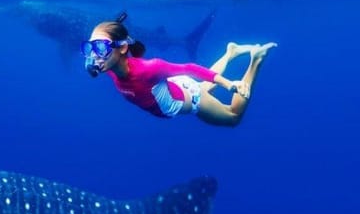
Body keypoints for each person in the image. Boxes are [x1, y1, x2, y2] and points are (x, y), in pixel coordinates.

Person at [82, 12, 276, 127]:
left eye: (100, 48)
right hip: (174, 88)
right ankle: (231, 52)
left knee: (233, 117)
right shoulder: (108, 66)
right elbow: (96, 65)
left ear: (123, 48)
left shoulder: (148, 69)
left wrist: (228, 84)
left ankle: (256, 60)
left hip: (191, 99)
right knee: (202, 87)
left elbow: (189, 68)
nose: (94, 56)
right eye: (90, 48)